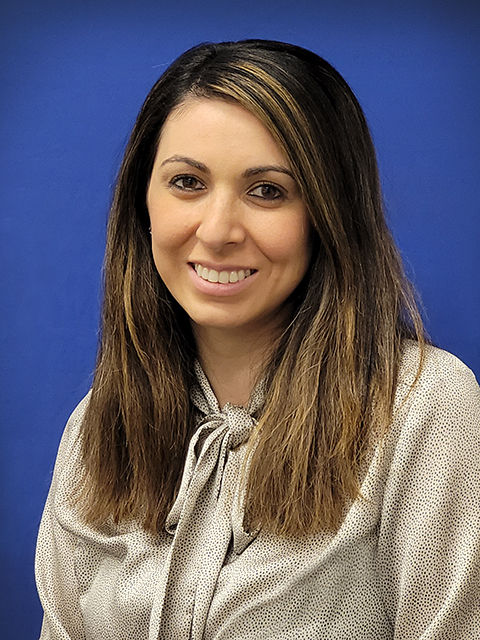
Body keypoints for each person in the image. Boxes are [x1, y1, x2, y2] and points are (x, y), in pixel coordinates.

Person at [35, 40, 480, 639]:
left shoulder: (426, 410)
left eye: (267, 190)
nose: (217, 231)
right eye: (187, 182)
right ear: (143, 204)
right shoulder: (93, 432)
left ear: (328, 213)